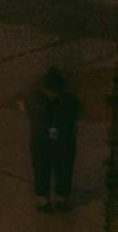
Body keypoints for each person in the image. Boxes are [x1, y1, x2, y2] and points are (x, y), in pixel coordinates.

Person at [27, 67, 83, 211]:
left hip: (41, 140)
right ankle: (61, 197)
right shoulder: (69, 100)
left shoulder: (35, 100)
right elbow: (78, 112)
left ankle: (43, 199)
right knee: (64, 168)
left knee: (41, 168)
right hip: (64, 140)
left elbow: (30, 112)